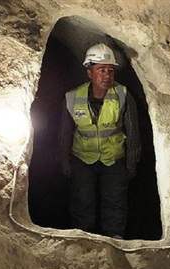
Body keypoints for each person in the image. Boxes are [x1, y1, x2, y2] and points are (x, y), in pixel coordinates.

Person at [58, 43, 141, 239]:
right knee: (82, 201)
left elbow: (133, 132)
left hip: (114, 159)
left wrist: (131, 163)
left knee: (115, 203)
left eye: (110, 71)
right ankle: (83, 239)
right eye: (101, 70)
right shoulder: (72, 97)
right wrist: (63, 159)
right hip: (82, 159)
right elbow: (64, 133)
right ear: (89, 72)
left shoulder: (123, 95)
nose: (107, 75)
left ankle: (115, 240)